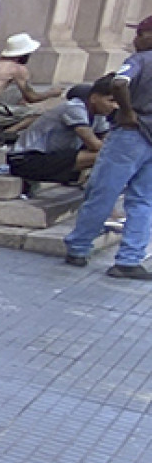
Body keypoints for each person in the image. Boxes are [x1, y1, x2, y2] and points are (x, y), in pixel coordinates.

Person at [64, 15, 152, 278]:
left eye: (140, 34)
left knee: (103, 191)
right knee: (143, 200)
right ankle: (130, 259)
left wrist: (126, 111)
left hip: (131, 134)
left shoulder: (141, 60)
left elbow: (120, 82)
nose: (135, 39)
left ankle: (79, 247)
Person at [6, 81, 117, 187]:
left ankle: (85, 183)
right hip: (25, 160)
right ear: (93, 98)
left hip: (51, 157)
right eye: (111, 100)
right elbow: (95, 145)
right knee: (107, 154)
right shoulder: (74, 108)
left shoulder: (99, 114)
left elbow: (106, 139)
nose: (115, 106)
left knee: (109, 153)